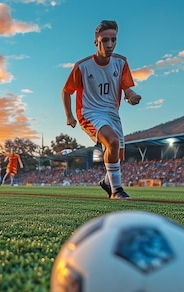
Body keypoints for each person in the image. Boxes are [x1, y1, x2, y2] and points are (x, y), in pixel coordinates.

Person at [62, 20, 141, 200]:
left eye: (113, 40)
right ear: (96, 41)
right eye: (105, 40)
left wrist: (132, 96)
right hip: (89, 112)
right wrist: (69, 116)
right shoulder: (82, 66)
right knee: (112, 141)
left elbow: (126, 88)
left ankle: (107, 181)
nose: (110, 44)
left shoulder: (121, 63)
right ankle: (116, 190)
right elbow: (66, 91)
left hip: (112, 113)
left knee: (116, 154)